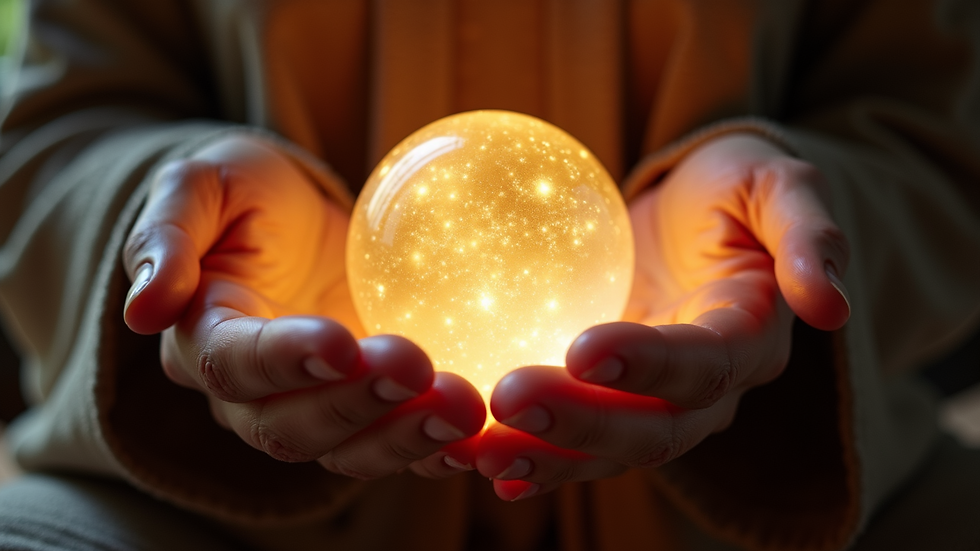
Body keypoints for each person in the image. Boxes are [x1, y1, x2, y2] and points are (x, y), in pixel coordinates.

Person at [0, 0, 978, 550]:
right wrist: (164, 202)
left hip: (792, 511)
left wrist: (778, 242)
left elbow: (934, 142)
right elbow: (48, 137)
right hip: (208, 515)